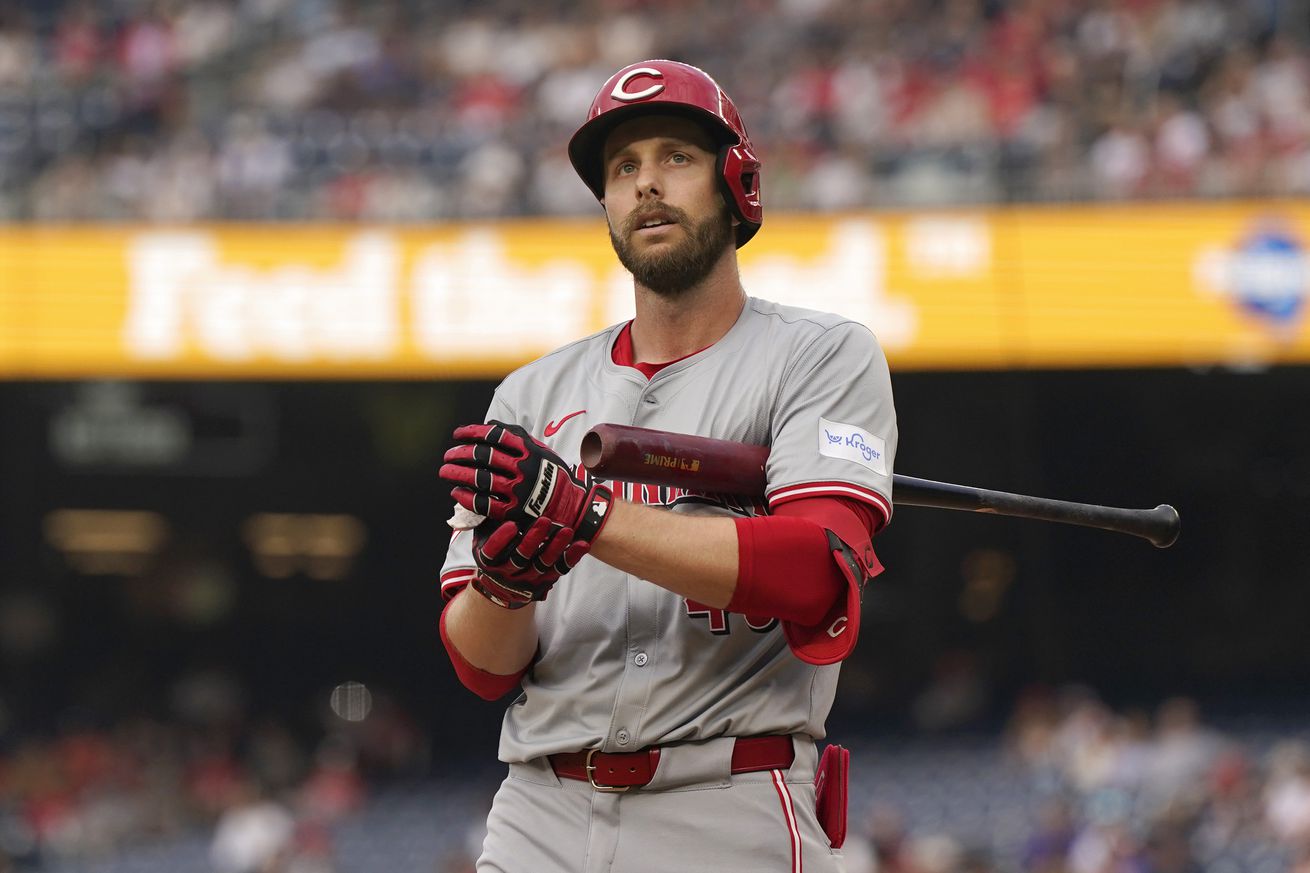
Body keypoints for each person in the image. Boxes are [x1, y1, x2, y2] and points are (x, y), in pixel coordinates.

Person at [437, 59, 898, 873]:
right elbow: (481, 665)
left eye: (676, 158)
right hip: (539, 808)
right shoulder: (529, 393)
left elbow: (816, 576)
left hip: (725, 800)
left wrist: (589, 518)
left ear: (736, 184)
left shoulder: (821, 355)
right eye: (624, 168)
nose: (646, 184)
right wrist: (506, 580)